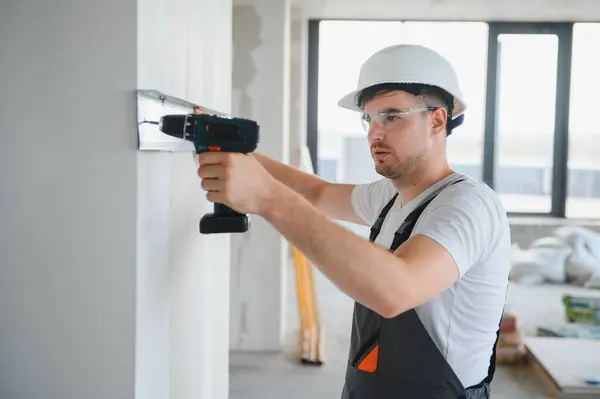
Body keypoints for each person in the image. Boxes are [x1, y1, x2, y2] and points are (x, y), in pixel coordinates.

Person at [196, 44, 511, 398]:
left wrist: (269, 198)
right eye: (369, 119)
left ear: (437, 120)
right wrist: (235, 151)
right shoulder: (390, 196)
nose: (374, 133)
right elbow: (316, 194)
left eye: (391, 116)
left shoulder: (468, 205)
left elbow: (396, 290)